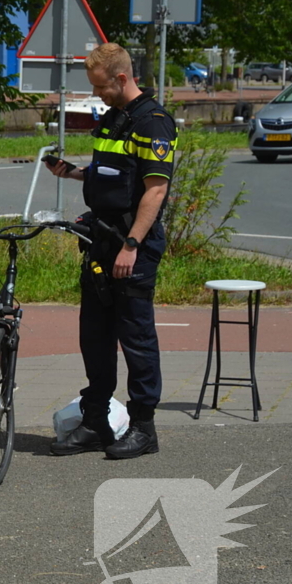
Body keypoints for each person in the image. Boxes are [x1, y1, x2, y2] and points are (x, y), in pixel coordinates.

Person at [45, 43, 177, 459]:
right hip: (100, 242)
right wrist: (72, 173)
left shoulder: (154, 123)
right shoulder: (114, 119)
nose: (97, 93)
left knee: (135, 337)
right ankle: (96, 421)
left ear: (122, 78)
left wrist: (133, 245)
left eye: (101, 86)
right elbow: (111, 175)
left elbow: (155, 190)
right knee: (95, 336)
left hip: (130, 246)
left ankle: (143, 428)